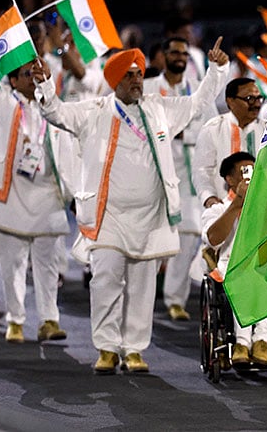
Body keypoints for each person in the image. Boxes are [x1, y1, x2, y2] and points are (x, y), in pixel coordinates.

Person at [36, 41, 229, 374]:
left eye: (139, 74)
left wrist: (216, 70)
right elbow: (55, 113)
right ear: (115, 82)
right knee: (105, 279)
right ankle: (108, 349)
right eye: (129, 76)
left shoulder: (159, 108)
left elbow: (198, 104)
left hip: (150, 216)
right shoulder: (93, 109)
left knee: (142, 285)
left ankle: (135, 349)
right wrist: (44, 85)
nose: (137, 81)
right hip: (107, 215)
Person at [0, 53, 73, 344]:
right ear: (13, 80)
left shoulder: (52, 106)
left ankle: (49, 320)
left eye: (35, 73)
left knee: (48, 265)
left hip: (48, 194)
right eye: (26, 74)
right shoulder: (3, 103)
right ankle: (15, 321)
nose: (32, 78)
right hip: (13, 193)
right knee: (12, 265)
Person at [144, 35, 222, 321]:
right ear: (163, 55)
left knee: (188, 236)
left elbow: (210, 124)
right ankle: (142, 295)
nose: (179, 57)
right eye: (174, 52)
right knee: (152, 236)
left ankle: (175, 300)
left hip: (188, 173)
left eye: (184, 54)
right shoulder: (150, 87)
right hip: (157, 171)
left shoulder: (194, 89)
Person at [200, 152, 267, 366]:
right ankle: (244, 342)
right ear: (230, 180)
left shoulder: (266, 208)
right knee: (243, 277)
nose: (250, 177)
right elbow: (213, 239)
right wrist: (237, 204)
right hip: (229, 268)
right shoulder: (218, 209)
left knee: (261, 276)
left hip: (261, 269)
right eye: (244, 172)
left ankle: (260, 341)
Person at [193, 78, 267, 213]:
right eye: (250, 98)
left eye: (259, 99)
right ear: (230, 101)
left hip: (260, 211)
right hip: (223, 209)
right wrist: (210, 198)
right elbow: (202, 171)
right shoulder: (213, 129)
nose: (256, 104)